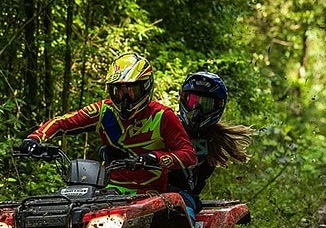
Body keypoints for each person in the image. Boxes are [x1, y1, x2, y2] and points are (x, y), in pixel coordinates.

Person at [20, 53, 197, 194]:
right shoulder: (103, 110)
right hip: (108, 188)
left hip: (149, 193)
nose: (124, 98)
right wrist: (34, 139)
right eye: (118, 91)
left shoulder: (162, 115)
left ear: (145, 87)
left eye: (131, 91)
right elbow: (62, 122)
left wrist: (156, 158)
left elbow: (189, 155)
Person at [168, 71, 252, 221]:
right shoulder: (167, 125)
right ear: (183, 98)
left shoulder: (214, 139)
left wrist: (188, 195)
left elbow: (199, 180)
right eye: (193, 101)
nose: (197, 110)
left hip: (183, 198)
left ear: (217, 106)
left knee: (183, 220)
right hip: (151, 191)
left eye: (205, 104)